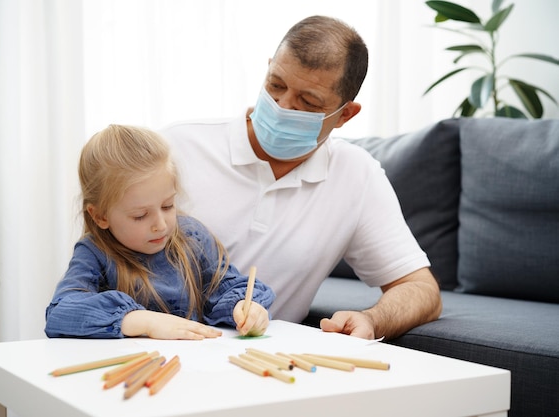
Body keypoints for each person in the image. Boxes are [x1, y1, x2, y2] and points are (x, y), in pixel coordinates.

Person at [160, 15, 442, 340]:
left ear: (345, 114)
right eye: (275, 85)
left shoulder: (355, 175)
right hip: (156, 343)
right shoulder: (177, 147)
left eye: (308, 102)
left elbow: (421, 289)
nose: (282, 106)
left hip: (261, 359)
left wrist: (372, 320)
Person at [44, 125, 275, 339]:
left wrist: (244, 308)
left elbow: (225, 286)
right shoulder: (94, 252)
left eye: (167, 206)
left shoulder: (191, 236)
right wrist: (141, 320)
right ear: (100, 216)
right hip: (133, 372)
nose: (161, 225)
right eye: (140, 216)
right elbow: (61, 311)